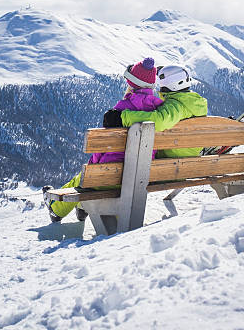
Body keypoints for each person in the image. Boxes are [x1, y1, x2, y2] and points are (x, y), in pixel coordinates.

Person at [44, 57, 163, 223]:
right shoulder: (158, 109)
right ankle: (82, 208)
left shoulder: (121, 111)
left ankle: (56, 208)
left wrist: (93, 165)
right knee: (91, 177)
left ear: (132, 84)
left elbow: (104, 148)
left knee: (83, 179)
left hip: (108, 178)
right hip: (142, 176)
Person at [105, 65, 208, 157]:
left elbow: (159, 120)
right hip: (188, 156)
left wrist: (122, 118)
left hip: (172, 162)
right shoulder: (193, 102)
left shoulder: (176, 105)